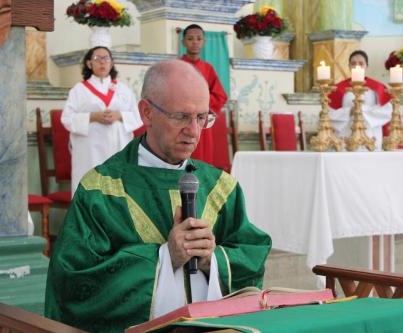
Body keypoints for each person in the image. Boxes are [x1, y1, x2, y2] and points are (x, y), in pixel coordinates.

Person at [45, 60, 271, 333]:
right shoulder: (102, 189)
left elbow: (252, 257)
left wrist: (214, 260)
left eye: (202, 117)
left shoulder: (221, 188)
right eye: (181, 117)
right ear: (146, 112)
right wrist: (166, 258)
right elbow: (74, 283)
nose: (194, 131)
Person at [61, 46, 142, 195]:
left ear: (111, 63)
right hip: (90, 149)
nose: (102, 63)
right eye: (97, 59)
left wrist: (120, 116)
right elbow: (67, 119)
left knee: (118, 188)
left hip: (118, 146)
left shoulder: (123, 89)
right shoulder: (79, 90)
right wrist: (92, 117)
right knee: (90, 186)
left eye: (106, 58)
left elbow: (138, 116)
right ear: (89, 63)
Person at [180, 24, 228, 167]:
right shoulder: (176, 66)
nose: (195, 42)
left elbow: (220, 95)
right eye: (190, 38)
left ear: (204, 42)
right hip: (181, 121)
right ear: (183, 42)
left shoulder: (208, 68)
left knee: (202, 161)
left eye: (199, 39)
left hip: (202, 122)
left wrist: (201, 106)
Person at [328, 50, 392, 150]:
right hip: (345, 138)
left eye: (361, 63)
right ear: (349, 66)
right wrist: (349, 112)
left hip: (371, 137)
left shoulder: (378, 88)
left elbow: (387, 112)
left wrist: (362, 111)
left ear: (367, 66)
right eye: (353, 63)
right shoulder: (338, 89)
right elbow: (329, 115)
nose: (357, 66)